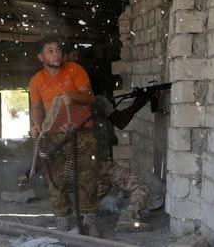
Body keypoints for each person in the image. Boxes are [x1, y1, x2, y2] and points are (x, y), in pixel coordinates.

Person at [62, 41, 153, 232]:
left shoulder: (64, 101)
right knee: (140, 188)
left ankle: (83, 221)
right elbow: (120, 120)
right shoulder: (98, 101)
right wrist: (140, 102)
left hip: (80, 165)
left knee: (91, 198)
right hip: (101, 163)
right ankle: (129, 217)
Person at [29, 35, 99, 235]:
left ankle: (89, 220)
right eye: (50, 50)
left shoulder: (75, 70)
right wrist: (36, 126)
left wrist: (73, 96)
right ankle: (62, 220)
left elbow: (89, 97)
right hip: (53, 135)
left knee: (87, 176)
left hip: (81, 132)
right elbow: (35, 107)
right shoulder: (36, 80)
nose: (56, 53)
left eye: (58, 49)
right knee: (55, 178)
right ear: (40, 57)